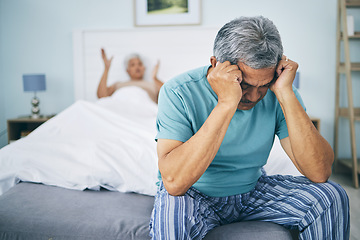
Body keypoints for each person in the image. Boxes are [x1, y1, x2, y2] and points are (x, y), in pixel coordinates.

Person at [150, 16, 349, 239]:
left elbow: (319, 172)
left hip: (252, 190)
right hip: (194, 193)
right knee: (171, 220)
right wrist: (226, 103)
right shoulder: (178, 92)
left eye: (262, 86)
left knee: (331, 195)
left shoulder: (279, 91)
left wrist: (285, 94)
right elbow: (175, 183)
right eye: (243, 84)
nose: (254, 96)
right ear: (216, 65)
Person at [97, 48, 163, 103]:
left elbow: (169, 95)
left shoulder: (152, 85)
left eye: (140, 64)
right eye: (132, 65)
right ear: (127, 70)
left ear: (144, 68)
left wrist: (155, 78)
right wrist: (106, 68)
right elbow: (101, 96)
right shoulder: (118, 85)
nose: (137, 67)